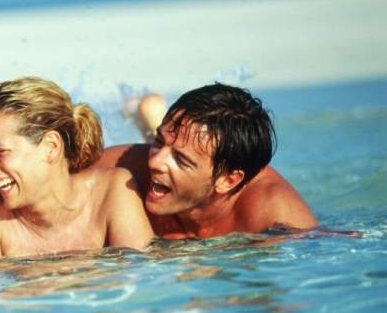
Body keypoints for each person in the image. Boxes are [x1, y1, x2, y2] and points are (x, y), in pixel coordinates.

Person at [0, 76, 154, 260]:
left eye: (0, 152)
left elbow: (141, 281)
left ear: (51, 147)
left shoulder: (113, 190)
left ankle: (150, 120)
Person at [96, 83, 317, 239]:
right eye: (159, 140)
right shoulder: (127, 168)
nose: (154, 162)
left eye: (181, 160)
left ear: (228, 180)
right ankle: (149, 116)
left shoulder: (273, 213)